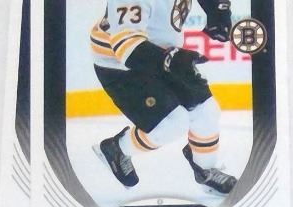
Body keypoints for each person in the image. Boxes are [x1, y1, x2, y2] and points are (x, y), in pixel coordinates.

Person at [90, 1, 240, 195]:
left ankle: (206, 171)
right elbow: (127, 48)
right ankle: (117, 149)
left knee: (206, 112)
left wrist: (217, 9)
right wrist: (172, 61)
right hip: (120, 66)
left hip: (164, 53)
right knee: (172, 124)